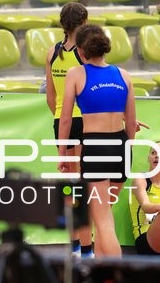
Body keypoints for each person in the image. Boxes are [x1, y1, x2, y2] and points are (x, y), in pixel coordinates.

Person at [58, 24, 136, 258]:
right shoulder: (124, 75)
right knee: (105, 214)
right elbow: (131, 123)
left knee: (103, 221)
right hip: (121, 145)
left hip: (95, 146)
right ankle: (104, 270)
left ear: (81, 51)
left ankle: (117, 274)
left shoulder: (76, 74)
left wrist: (62, 153)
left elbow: (65, 119)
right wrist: (127, 150)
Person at [46, 2, 93, 258]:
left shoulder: (52, 53)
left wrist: (60, 116)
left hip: (60, 122)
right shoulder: (85, 53)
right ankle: (86, 249)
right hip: (83, 121)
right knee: (83, 187)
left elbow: (51, 97)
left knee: (70, 186)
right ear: (83, 22)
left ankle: (74, 246)